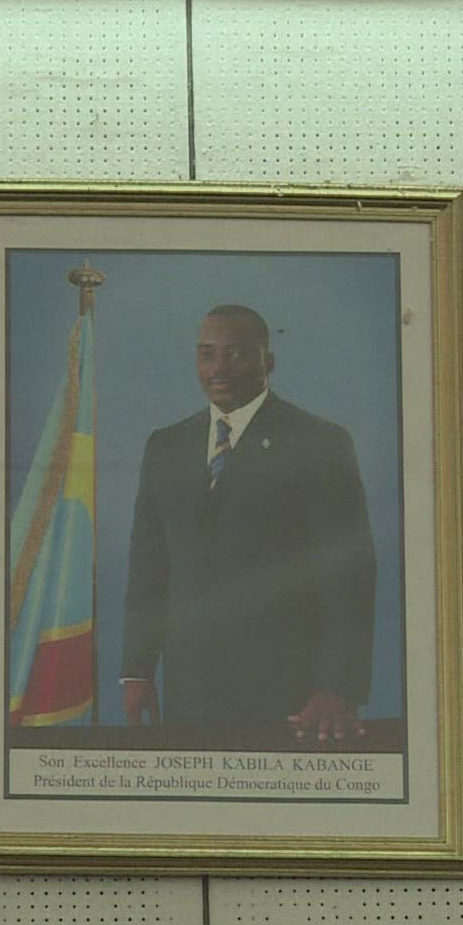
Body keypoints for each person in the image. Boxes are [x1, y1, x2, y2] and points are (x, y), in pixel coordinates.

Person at [119, 304, 377, 742]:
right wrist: (137, 671)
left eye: (235, 354)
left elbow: (348, 573)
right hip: (188, 692)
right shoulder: (166, 445)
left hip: (291, 695)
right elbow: (149, 569)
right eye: (206, 355)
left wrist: (337, 687)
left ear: (267, 362)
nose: (218, 369)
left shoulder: (318, 441)